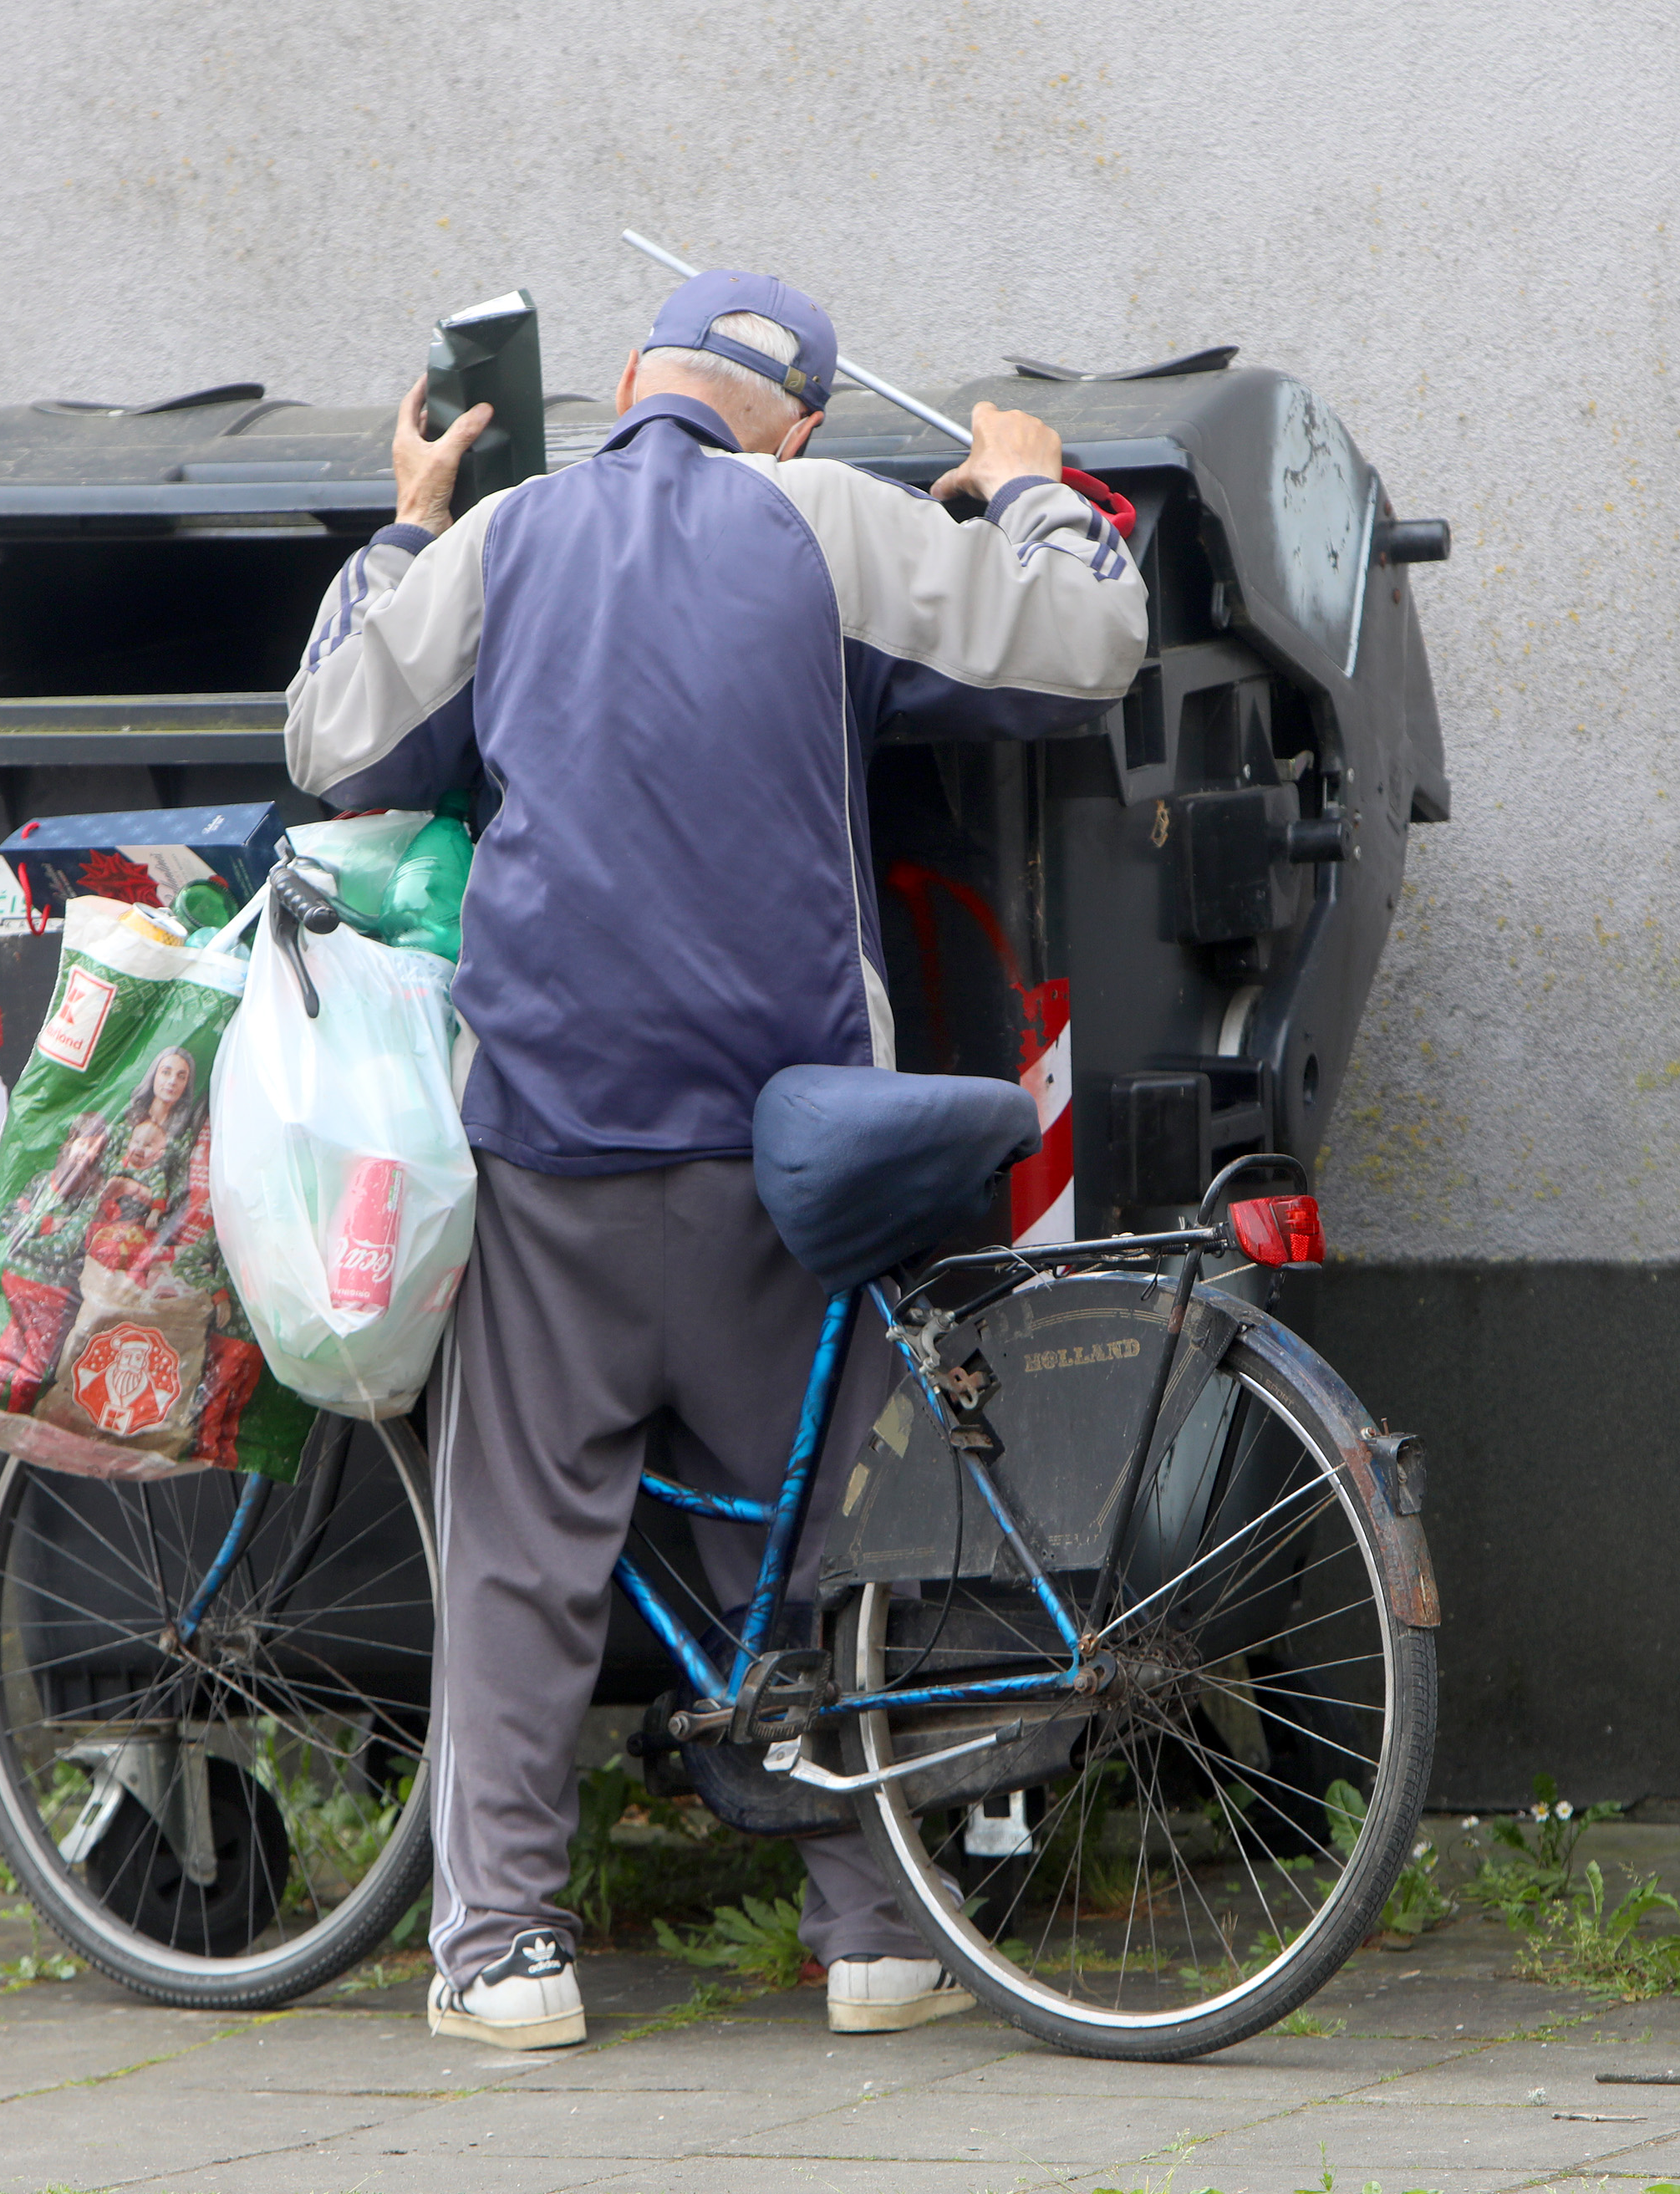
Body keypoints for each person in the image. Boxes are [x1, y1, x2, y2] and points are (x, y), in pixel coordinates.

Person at [282, 269, 1147, 2049]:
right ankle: (875, 1934)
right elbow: (1087, 645)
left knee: (522, 1553)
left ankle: (505, 1953)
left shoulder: (507, 537)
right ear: (800, 423)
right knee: (821, 1543)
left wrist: (407, 524)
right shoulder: (832, 521)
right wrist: (1029, 484)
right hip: (787, 1149)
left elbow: (331, 741)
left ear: (625, 382)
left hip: (555, 1137)